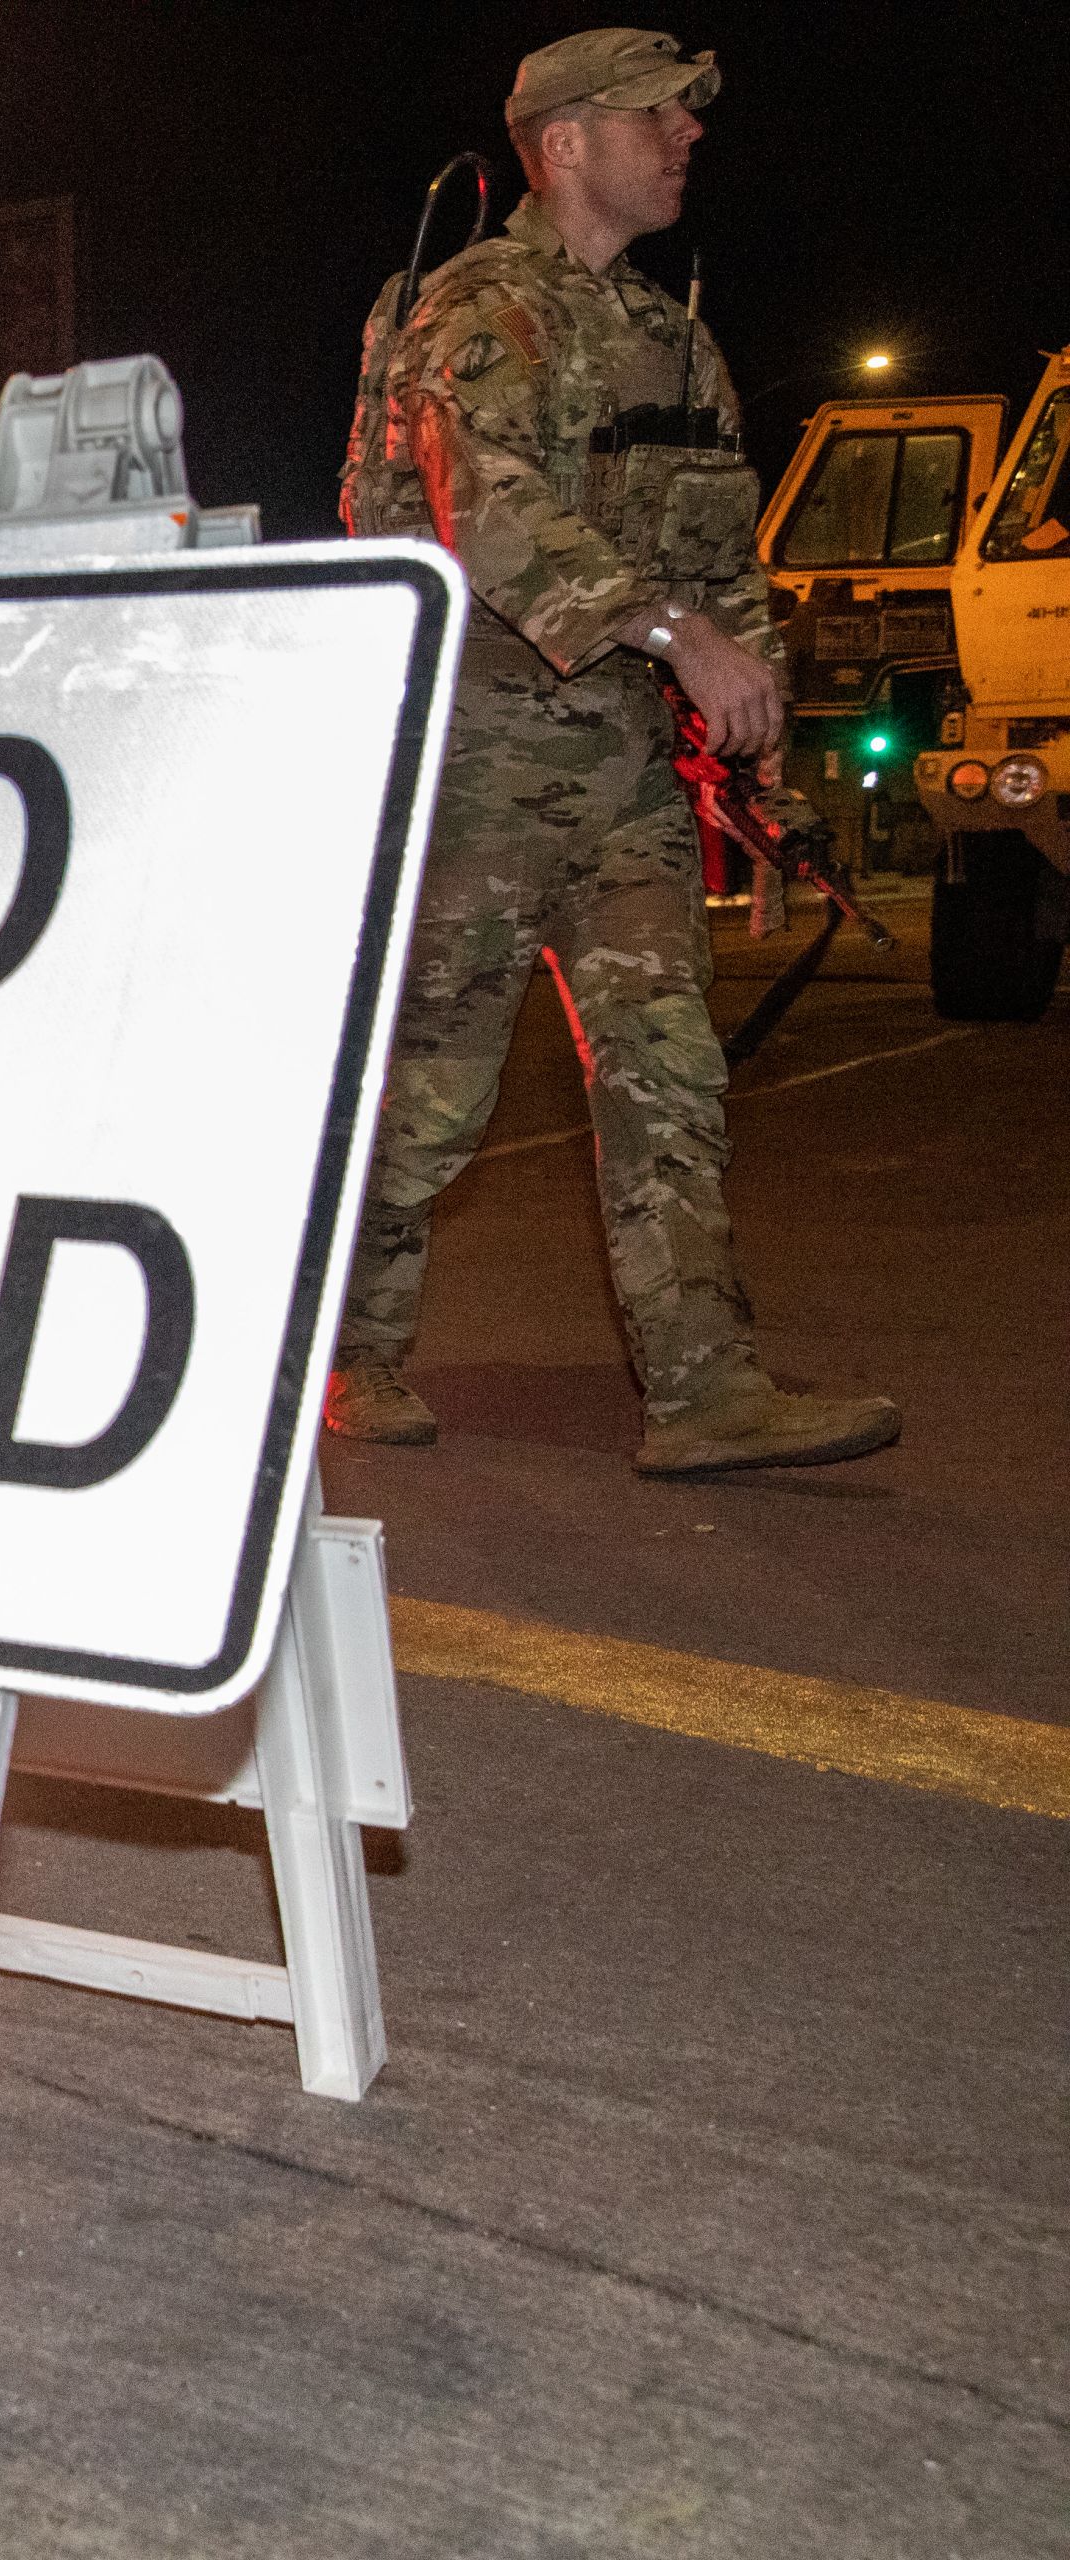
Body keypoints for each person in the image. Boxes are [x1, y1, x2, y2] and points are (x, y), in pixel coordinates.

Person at [329, 27, 898, 1476]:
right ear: (570, 141)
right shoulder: (471, 309)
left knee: (668, 1069)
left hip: (626, 778)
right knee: (432, 1097)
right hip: (473, 765)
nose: (688, 137)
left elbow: (720, 550)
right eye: (661, 116)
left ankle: (706, 1389)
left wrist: (748, 696)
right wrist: (668, 634)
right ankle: (343, 1349)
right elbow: (492, 515)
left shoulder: (672, 335)